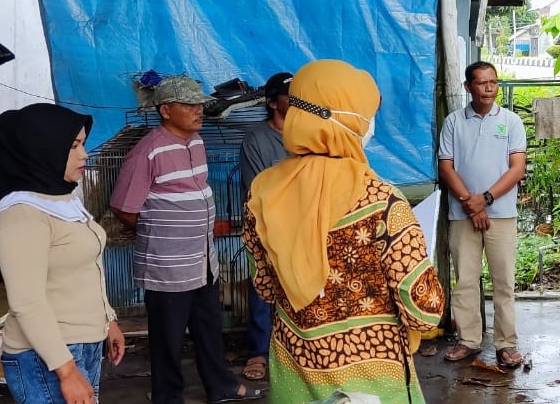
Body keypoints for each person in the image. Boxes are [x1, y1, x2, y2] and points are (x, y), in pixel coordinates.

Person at [243, 59, 444, 402]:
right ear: (346, 120)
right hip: (372, 380)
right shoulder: (382, 201)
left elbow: (264, 287)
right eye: (366, 113)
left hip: (294, 367)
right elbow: (423, 312)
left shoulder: (262, 193)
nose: (370, 123)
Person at [109, 75, 261, 404]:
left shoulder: (196, 141)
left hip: (202, 258)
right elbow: (123, 206)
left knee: (209, 328)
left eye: (200, 105)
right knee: (168, 337)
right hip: (168, 264)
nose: (198, 111)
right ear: (165, 110)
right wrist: (155, 228)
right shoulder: (148, 151)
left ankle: (220, 386)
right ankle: (167, 397)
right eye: (189, 105)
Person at [0, 103, 125, 404]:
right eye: (73, 146)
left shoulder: (62, 199)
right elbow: (28, 302)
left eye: (83, 144)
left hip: (80, 345)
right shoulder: (22, 215)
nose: (84, 154)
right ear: (42, 149)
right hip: (47, 355)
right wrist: (66, 370)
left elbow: (89, 269)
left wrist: (107, 320)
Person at [438, 61, 528, 368]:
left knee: (504, 281)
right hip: (462, 214)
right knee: (465, 279)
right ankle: (468, 341)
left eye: (493, 82)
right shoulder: (453, 122)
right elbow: (446, 167)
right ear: (468, 87)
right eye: (481, 82)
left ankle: (506, 344)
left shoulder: (511, 121)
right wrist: (470, 203)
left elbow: (517, 168)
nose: (489, 88)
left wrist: (485, 199)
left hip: (501, 213)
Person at [237, 71, 293, 382]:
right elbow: (256, 190)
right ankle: (258, 351)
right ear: (272, 103)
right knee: (262, 289)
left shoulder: (308, 134)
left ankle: (295, 351)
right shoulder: (256, 140)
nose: (296, 101)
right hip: (266, 227)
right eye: (289, 95)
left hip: (304, 227)